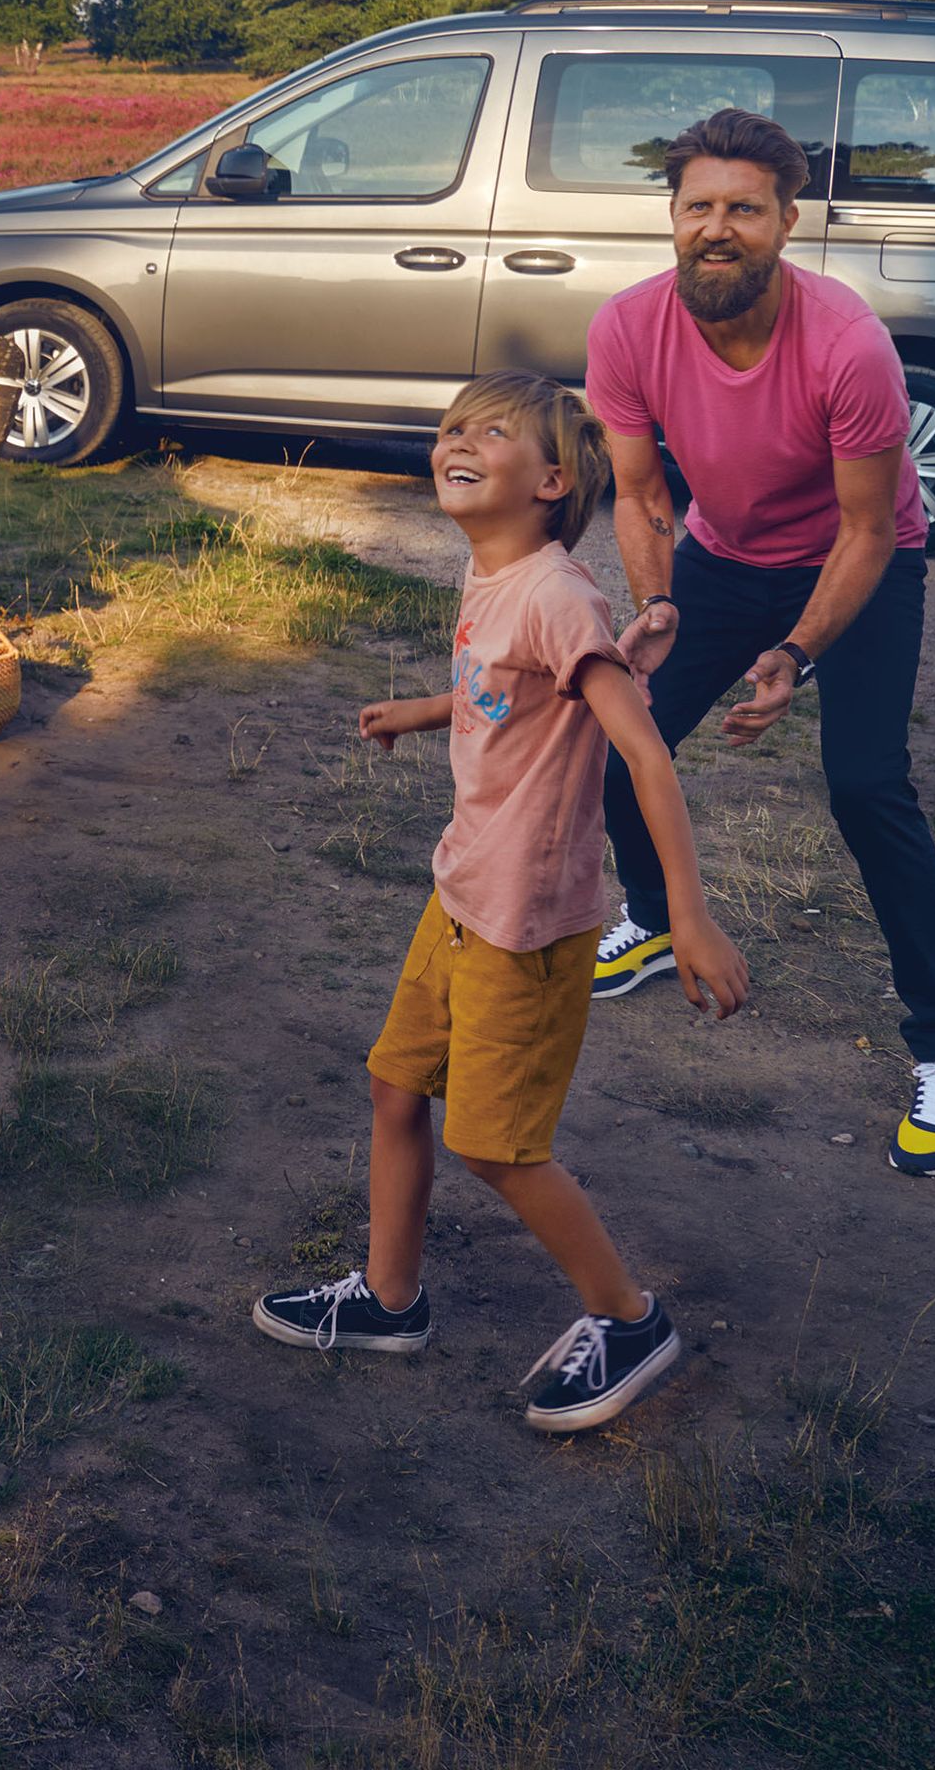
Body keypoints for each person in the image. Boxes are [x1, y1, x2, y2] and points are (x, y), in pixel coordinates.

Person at [251, 371, 747, 1432]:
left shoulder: (560, 595)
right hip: (462, 890)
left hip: (525, 923)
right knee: (396, 1086)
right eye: (449, 428)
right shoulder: (495, 574)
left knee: (497, 1144)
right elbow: (505, 694)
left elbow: (643, 753)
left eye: (489, 431)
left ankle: (629, 1318)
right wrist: (427, 711)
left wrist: (686, 915)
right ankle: (390, 1302)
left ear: (553, 479)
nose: (454, 440)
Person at [581, 107, 935, 1175]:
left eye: (745, 210)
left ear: (787, 222)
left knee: (864, 782)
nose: (720, 228)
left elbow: (866, 527)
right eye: (700, 206)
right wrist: (660, 600)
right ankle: (656, 916)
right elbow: (637, 493)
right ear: (671, 217)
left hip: (862, 560)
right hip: (723, 556)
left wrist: (798, 653)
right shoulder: (626, 328)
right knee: (621, 728)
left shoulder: (848, 344)